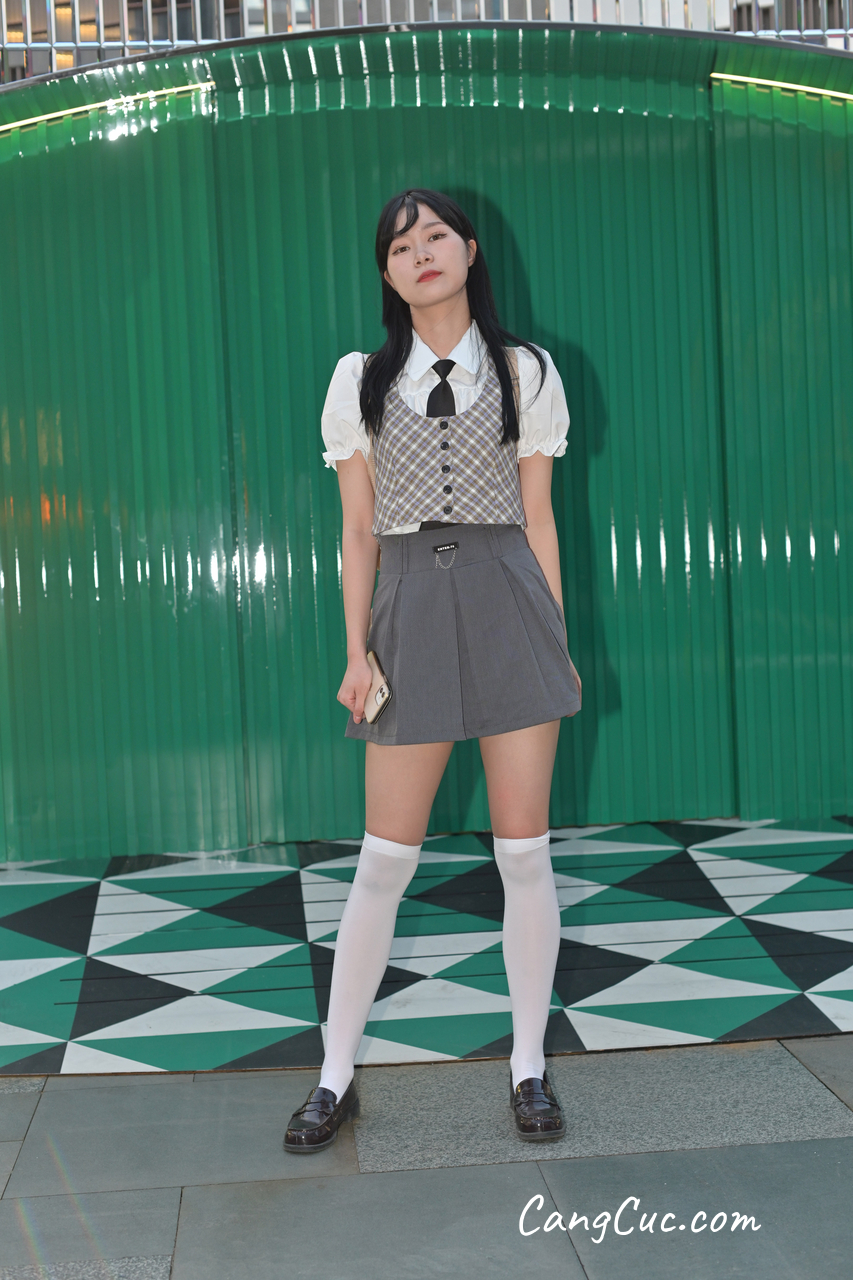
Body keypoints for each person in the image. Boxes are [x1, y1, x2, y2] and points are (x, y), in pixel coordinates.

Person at [284, 189, 582, 1154]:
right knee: (383, 861)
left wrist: (554, 640)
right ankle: (333, 1075)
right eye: (401, 246)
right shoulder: (359, 380)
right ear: (386, 272)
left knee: (523, 855)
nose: (421, 253)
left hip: (508, 597)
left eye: (436, 237)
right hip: (408, 603)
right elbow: (356, 531)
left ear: (468, 250)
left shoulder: (525, 370)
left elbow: (539, 516)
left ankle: (528, 1068)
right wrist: (355, 650)